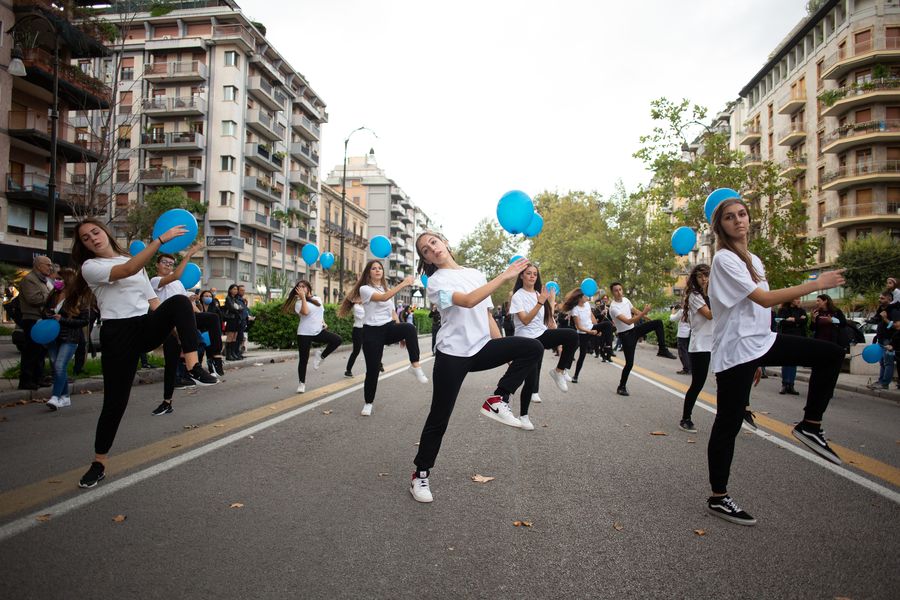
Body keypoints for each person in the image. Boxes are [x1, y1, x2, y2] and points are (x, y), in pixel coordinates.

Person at [705, 197, 845, 526]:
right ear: (720, 226)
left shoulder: (752, 259)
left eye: (742, 214)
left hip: (760, 343)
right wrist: (816, 285)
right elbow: (764, 298)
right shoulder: (724, 260)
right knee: (728, 424)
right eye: (729, 217)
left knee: (831, 355)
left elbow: (760, 311)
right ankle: (718, 497)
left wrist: (761, 360)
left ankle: (810, 426)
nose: (738, 221)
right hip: (736, 350)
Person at [72, 218, 217, 488]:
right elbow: (128, 269)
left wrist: (175, 331)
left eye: (95, 231)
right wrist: (161, 240)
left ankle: (193, 366)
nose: (92, 238)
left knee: (179, 302)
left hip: (143, 325)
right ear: (83, 246)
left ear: (104, 232)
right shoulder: (90, 267)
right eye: (85, 238)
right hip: (118, 334)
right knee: (115, 403)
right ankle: (99, 462)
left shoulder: (131, 258)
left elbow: (152, 301)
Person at [410, 232, 543, 502]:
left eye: (434, 242)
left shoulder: (476, 273)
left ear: (445, 241)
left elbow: (484, 312)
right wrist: (504, 277)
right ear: (425, 259)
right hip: (452, 354)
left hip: (481, 347)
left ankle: (498, 399)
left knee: (532, 348)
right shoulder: (435, 283)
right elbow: (469, 300)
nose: (432, 249)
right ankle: (420, 475)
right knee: (439, 418)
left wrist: (504, 349)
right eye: (425, 250)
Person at [345, 260, 428, 416]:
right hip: (371, 332)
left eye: (380, 268)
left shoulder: (386, 288)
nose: (377, 270)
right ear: (368, 273)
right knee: (373, 370)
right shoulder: (365, 289)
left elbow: (393, 312)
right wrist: (403, 284)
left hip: (388, 328)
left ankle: (415, 365)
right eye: (374, 268)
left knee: (409, 328)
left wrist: (401, 334)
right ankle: (368, 403)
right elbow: (383, 298)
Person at [149, 247, 223, 416]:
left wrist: (199, 312)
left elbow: (188, 305)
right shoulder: (154, 281)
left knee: (212, 318)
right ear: (157, 265)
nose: (168, 266)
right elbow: (174, 276)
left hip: (183, 321)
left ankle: (215, 357)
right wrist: (189, 255)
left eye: (171, 263)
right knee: (171, 363)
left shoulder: (178, 284)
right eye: (165, 263)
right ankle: (167, 402)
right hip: (167, 324)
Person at [509, 263, 578, 429]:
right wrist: (540, 303)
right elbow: (525, 320)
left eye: (534, 274)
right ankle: (523, 416)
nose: (532, 276)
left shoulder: (539, 294)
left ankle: (558, 371)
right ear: (521, 276)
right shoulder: (518, 296)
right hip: (526, 341)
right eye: (528, 273)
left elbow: (548, 321)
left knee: (571, 335)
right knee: (531, 380)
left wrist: (549, 302)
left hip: (541, 334)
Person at [609, 282, 677, 396]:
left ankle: (662, 349)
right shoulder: (613, 308)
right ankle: (621, 387)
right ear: (612, 293)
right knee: (629, 364)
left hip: (634, 331)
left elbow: (634, 310)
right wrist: (644, 313)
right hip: (626, 336)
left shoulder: (626, 300)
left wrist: (646, 317)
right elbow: (628, 321)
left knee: (658, 323)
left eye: (620, 289)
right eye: (616, 290)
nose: (619, 292)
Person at [42, 268, 89, 410]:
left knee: (59, 366)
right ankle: (65, 397)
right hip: (52, 336)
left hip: (69, 337)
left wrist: (63, 320)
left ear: (67, 280)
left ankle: (55, 397)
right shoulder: (53, 295)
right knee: (56, 367)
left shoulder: (78, 298)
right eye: (56, 279)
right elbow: (45, 310)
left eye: (59, 279)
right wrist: (47, 315)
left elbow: (84, 320)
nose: (56, 281)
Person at [284, 280, 341, 393]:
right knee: (303, 359)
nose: (301, 289)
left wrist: (323, 322)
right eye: (299, 287)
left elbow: (320, 312)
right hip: (304, 333)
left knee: (337, 340)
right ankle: (301, 383)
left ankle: (321, 356)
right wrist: (303, 298)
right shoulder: (298, 303)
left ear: (309, 288)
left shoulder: (318, 299)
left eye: (303, 287)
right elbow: (305, 312)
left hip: (318, 331)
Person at [678, 265, 712, 433]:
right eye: (700, 276)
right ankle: (685, 418)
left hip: (717, 345)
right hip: (700, 346)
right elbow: (710, 315)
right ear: (695, 279)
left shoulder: (713, 294)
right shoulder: (695, 295)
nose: (704, 279)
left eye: (706, 275)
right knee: (697, 384)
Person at [17, 255, 54, 390]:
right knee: (31, 351)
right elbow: (33, 299)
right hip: (32, 319)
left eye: (51, 265)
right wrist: (52, 295)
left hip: (42, 319)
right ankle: (26, 380)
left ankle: (38, 378)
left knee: (40, 351)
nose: (50, 267)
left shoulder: (44, 281)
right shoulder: (29, 279)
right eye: (48, 265)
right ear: (38, 265)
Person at [561, 288, 599, 384]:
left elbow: (592, 317)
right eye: (585, 296)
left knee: (582, 355)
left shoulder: (587, 305)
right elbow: (578, 327)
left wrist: (597, 328)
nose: (587, 297)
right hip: (579, 333)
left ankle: (576, 376)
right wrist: (590, 332)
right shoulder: (575, 309)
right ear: (580, 298)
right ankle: (564, 369)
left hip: (589, 330)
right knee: (571, 351)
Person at [868, 290, 900, 390]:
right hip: (881, 339)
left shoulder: (894, 311)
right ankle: (881, 381)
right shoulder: (881, 310)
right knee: (882, 362)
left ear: (889, 299)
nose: (879, 300)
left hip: (889, 340)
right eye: (879, 298)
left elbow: (898, 326)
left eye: (882, 298)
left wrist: (885, 319)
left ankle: (885, 383)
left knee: (888, 362)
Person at [776, 298, 807, 395]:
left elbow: (804, 322)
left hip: (798, 338)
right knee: (786, 361)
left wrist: (793, 320)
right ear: (791, 300)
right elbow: (781, 322)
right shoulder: (783, 310)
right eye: (797, 298)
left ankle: (791, 385)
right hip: (786, 338)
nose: (799, 301)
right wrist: (797, 321)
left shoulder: (802, 310)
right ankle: (785, 384)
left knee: (794, 362)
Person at [339, 296, 365, 378]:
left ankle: (378, 365)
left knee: (369, 349)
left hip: (365, 329)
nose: (361, 298)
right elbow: (364, 316)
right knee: (356, 351)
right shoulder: (356, 307)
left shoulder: (361, 306)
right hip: (358, 330)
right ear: (354, 300)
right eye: (359, 297)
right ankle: (348, 370)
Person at [670, 305, 692, 375]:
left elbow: (672, 318)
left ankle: (686, 369)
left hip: (682, 334)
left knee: (682, 353)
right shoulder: (693, 310)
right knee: (688, 352)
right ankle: (690, 368)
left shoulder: (682, 311)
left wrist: (673, 311)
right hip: (690, 333)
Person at [223, 284, 242, 360]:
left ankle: (233, 353)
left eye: (236, 289)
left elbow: (241, 308)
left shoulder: (236, 299)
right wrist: (238, 309)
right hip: (231, 319)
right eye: (234, 289)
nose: (235, 291)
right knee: (230, 337)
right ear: (230, 290)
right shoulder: (228, 298)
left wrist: (238, 309)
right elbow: (232, 308)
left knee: (235, 337)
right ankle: (228, 354)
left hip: (237, 319)